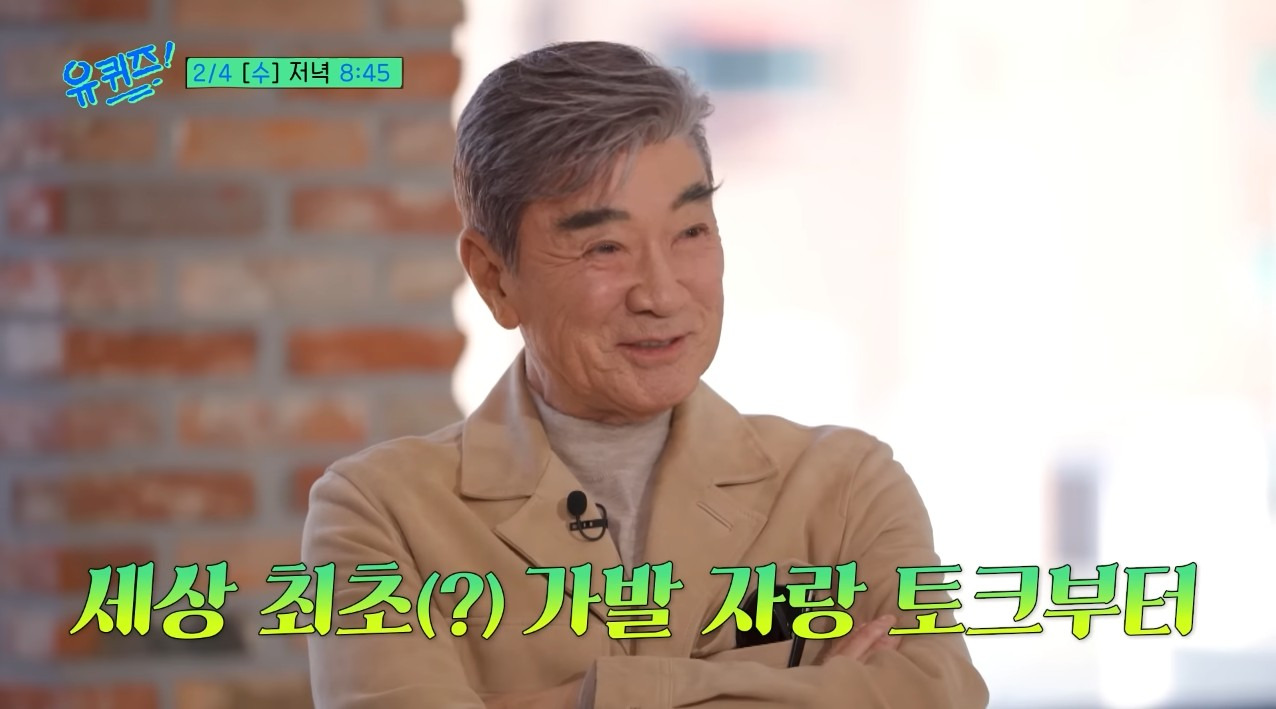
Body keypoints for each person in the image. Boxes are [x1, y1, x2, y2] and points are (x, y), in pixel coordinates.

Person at [303, 40, 988, 708]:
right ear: (493, 277)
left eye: (691, 232)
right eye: (605, 246)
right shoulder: (379, 515)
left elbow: (937, 694)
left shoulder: (845, 488)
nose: (661, 293)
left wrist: (596, 696)